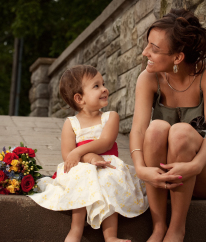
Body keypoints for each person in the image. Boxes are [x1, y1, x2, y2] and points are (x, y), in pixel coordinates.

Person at [129, 8, 206, 242]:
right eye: (147, 45)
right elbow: (138, 129)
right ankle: (158, 227)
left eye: (154, 49)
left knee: (182, 132)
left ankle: (176, 230)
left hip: (205, 168)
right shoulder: (148, 78)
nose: (146, 53)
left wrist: (195, 166)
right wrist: (140, 169)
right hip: (165, 172)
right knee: (155, 129)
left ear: (178, 58)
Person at [29, 65, 148, 242]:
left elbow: (105, 142)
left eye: (103, 84)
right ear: (79, 98)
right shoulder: (71, 123)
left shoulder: (110, 117)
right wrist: (88, 157)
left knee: (108, 180)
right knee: (82, 176)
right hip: (81, 166)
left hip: (107, 165)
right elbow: (68, 155)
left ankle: (111, 237)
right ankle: (75, 230)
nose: (104, 89)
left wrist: (79, 151)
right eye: (96, 86)